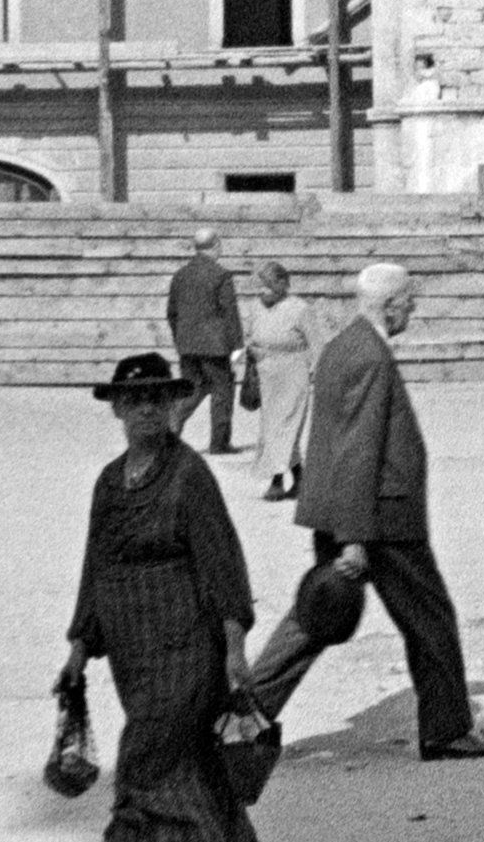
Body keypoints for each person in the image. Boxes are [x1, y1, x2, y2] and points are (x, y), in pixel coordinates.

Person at [299, 262, 484, 760]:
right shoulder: (371, 355)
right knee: (430, 619)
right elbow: (358, 446)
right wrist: (353, 536)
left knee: (311, 624)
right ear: (389, 305)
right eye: (409, 298)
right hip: (381, 518)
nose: (414, 306)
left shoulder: (342, 345)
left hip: (352, 511)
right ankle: (447, 729)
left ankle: (247, 709)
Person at [57, 351, 260, 840]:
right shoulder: (109, 483)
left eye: (156, 398)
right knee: (191, 765)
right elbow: (96, 565)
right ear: (118, 409)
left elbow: (223, 565)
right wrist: (80, 649)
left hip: (187, 646)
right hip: (133, 652)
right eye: (135, 399)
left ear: (172, 406)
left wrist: (234, 649)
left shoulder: (190, 476)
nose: (147, 409)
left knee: (146, 758)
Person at [243, 260, 320, 503]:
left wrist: (315, 371)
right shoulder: (255, 307)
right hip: (266, 375)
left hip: (293, 373)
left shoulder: (299, 309)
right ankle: (300, 479)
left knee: (285, 427)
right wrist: (250, 352)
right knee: (272, 429)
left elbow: (317, 344)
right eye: (258, 287)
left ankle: (276, 482)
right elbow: (249, 336)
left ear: (281, 285)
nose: (261, 292)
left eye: (266, 287)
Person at [166, 230, 243, 458]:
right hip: (216, 346)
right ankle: (219, 443)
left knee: (192, 389)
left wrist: (181, 338)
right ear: (216, 245)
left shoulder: (180, 275)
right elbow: (230, 313)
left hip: (188, 345)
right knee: (222, 392)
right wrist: (237, 345)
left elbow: (171, 312)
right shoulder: (221, 275)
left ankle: (172, 426)